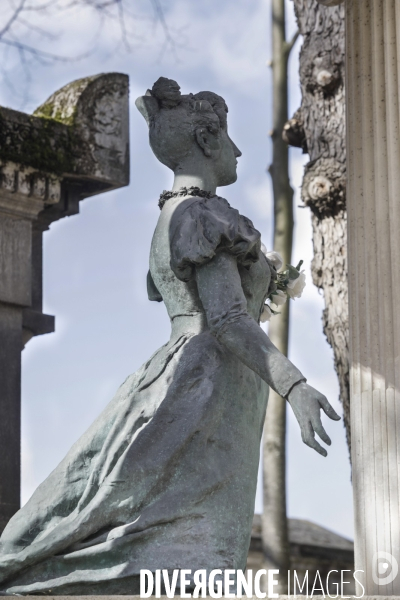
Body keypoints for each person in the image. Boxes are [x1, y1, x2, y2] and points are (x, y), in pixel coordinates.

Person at [0, 77, 340, 595]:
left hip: (203, 380)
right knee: (184, 553)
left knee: (173, 548)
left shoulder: (173, 213)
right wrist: (294, 386)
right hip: (206, 388)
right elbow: (226, 320)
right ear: (208, 141)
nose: (238, 150)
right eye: (228, 138)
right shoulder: (201, 216)